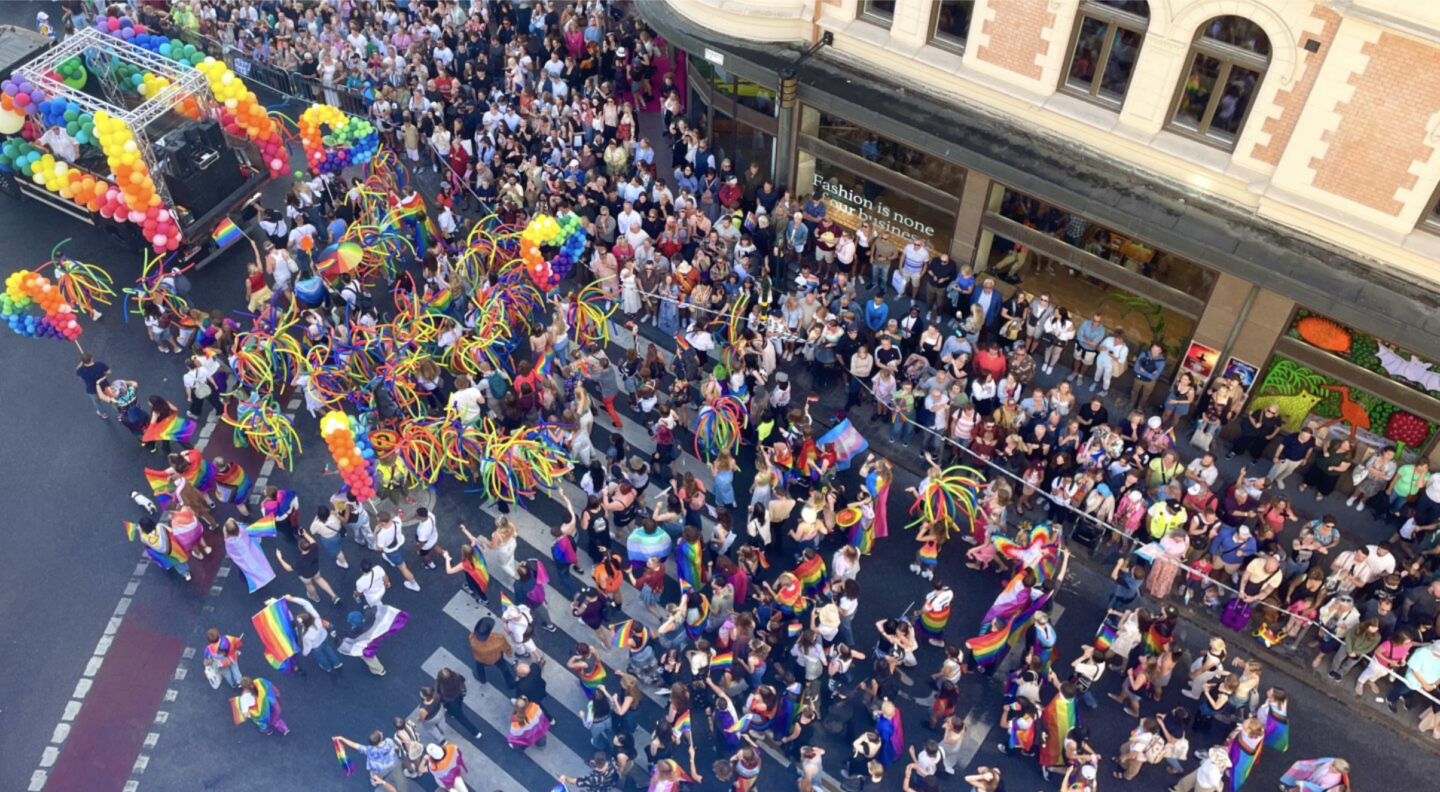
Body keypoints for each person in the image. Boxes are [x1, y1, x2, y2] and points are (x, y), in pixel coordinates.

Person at [76, 353, 113, 420]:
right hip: (105, 385)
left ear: (83, 361)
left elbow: (77, 370)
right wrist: (105, 374)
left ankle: (103, 414)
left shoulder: (81, 370)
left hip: (92, 389)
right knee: (112, 398)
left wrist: (82, 363)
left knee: (96, 402)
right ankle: (119, 412)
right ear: (92, 358)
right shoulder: (100, 364)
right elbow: (109, 372)